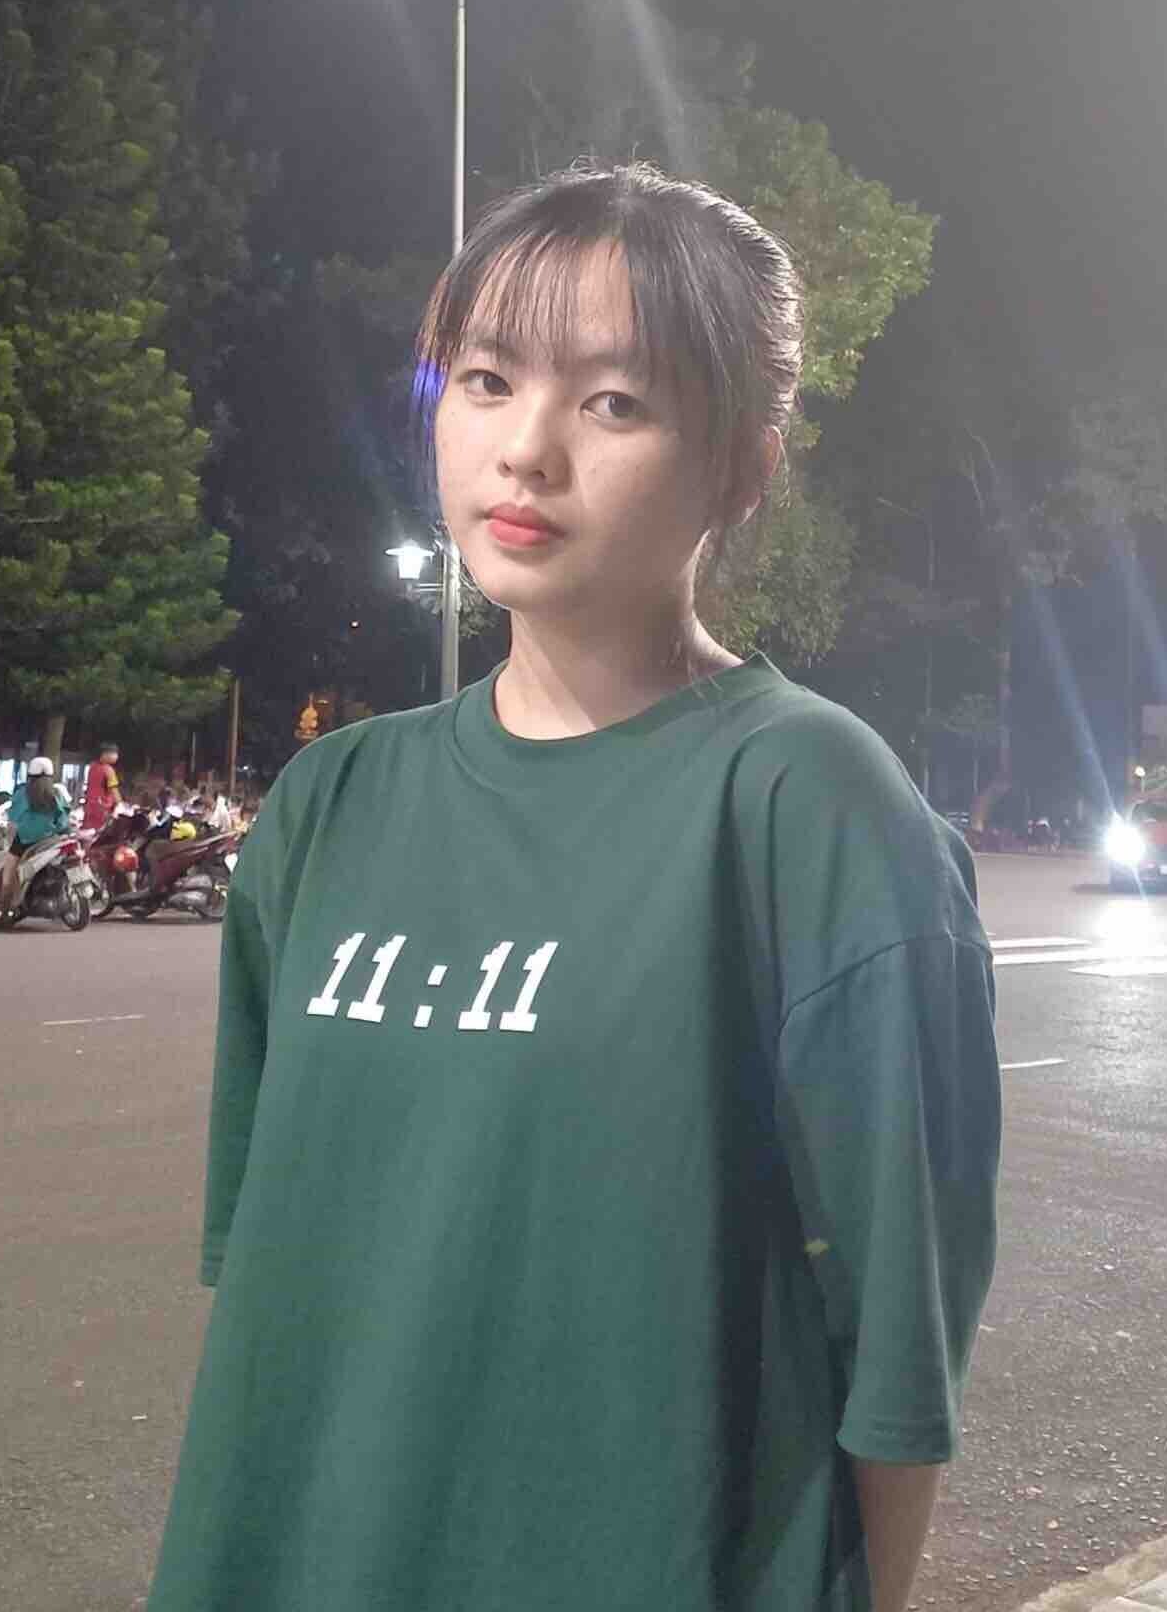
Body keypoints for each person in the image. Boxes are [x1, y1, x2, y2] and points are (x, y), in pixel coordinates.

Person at [151, 163, 1001, 1612]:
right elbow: (276, 1300)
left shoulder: (808, 807)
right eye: (486, 382)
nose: (524, 451)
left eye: (613, 402)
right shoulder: (331, 805)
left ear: (743, 465)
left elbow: (897, 1369)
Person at [0, 756, 71, 921]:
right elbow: (63, 818)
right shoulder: (56, 793)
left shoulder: (22, 793)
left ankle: (4, 909)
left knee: (8, 873)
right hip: (51, 839)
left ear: (30, 774)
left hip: (25, 841)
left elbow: (13, 819)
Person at [81, 742, 123, 832]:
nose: (116, 757)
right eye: (114, 754)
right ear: (104, 754)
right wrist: (120, 804)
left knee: (87, 832)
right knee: (101, 833)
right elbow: (113, 790)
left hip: (90, 807)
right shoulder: (108, 770)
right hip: (103, 809)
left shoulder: (92, 766)